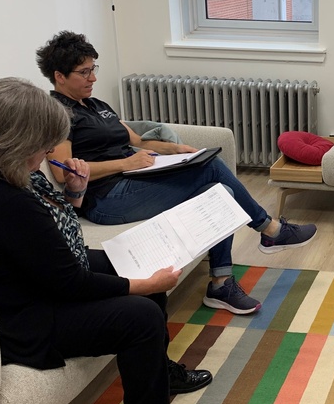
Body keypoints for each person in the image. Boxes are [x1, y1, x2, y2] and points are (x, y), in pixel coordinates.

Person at [0, 78, 214, 404]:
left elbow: (47, 237)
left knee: (135, 267)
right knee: (141, 314)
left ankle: (159, 373)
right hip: (5, 319)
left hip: (20, 284)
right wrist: (142, 286)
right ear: (15, 142)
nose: (47, 156)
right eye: (43, 147)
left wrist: (76, 193)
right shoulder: (3, 200)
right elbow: (70, 283)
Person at [37, 30, 316, 314]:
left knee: (221, 192)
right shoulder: (57, 113)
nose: (93, 78)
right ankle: (269, 230)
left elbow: (137, 141)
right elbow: (63, 173)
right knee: (214, 170)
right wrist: (124, 164)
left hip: (135, 181)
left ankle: (221, 283)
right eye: (84, 72)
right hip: (106, 198)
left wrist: (176, 150)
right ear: (59, 76)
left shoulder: (97, 106)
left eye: (93, 69)